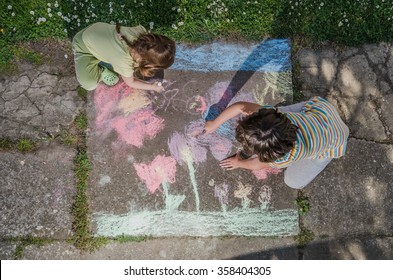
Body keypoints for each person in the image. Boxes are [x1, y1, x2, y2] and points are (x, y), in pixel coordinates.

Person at [204, 96, 349, 189]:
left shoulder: (286, 157)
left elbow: (256, 164)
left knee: (293, 182)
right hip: (321, 113)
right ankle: (301, 118)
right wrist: (214, 124)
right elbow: (241, 106)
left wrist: (238, 163)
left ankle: (320, 156)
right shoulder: (272, 116)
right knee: (278, 115)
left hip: (335, 138)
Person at [72, 22, 176, 91]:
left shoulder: (140, 31)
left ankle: (105, 55)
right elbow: (131, 82)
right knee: (89, 84)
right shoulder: (124, 62)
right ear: (147, 62)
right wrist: (152, 87)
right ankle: (102, 69)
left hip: (94, 30)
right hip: (83, 47)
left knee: (127, 61)